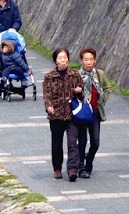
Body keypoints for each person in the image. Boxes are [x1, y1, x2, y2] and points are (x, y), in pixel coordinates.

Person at [42, 48, 85, 180]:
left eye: (65, 57)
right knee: (57, 144)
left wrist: (79, 91)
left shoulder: (75, 74)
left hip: (72, 115)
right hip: (56, 115)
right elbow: (47, 95)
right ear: (55, 60)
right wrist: (49, 106)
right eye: (60, 58)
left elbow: (83, 95)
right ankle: (57, 168)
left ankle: (72, 169)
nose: (62, 60)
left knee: (73, 142)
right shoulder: (50, 77)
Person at [75, 47, 110, 179]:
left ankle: (89, 163)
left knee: (95, 142)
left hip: (95, 112)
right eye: (86, 59)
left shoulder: (99, 74)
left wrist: (103, 100)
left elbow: (107, 88)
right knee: (82, 141)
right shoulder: (77, 75)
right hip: (83, 113)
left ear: (95, 60)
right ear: (81, 61)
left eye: (91, 59)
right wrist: (76, 91)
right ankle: (81, 167)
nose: (88, 62)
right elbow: (72, 92)